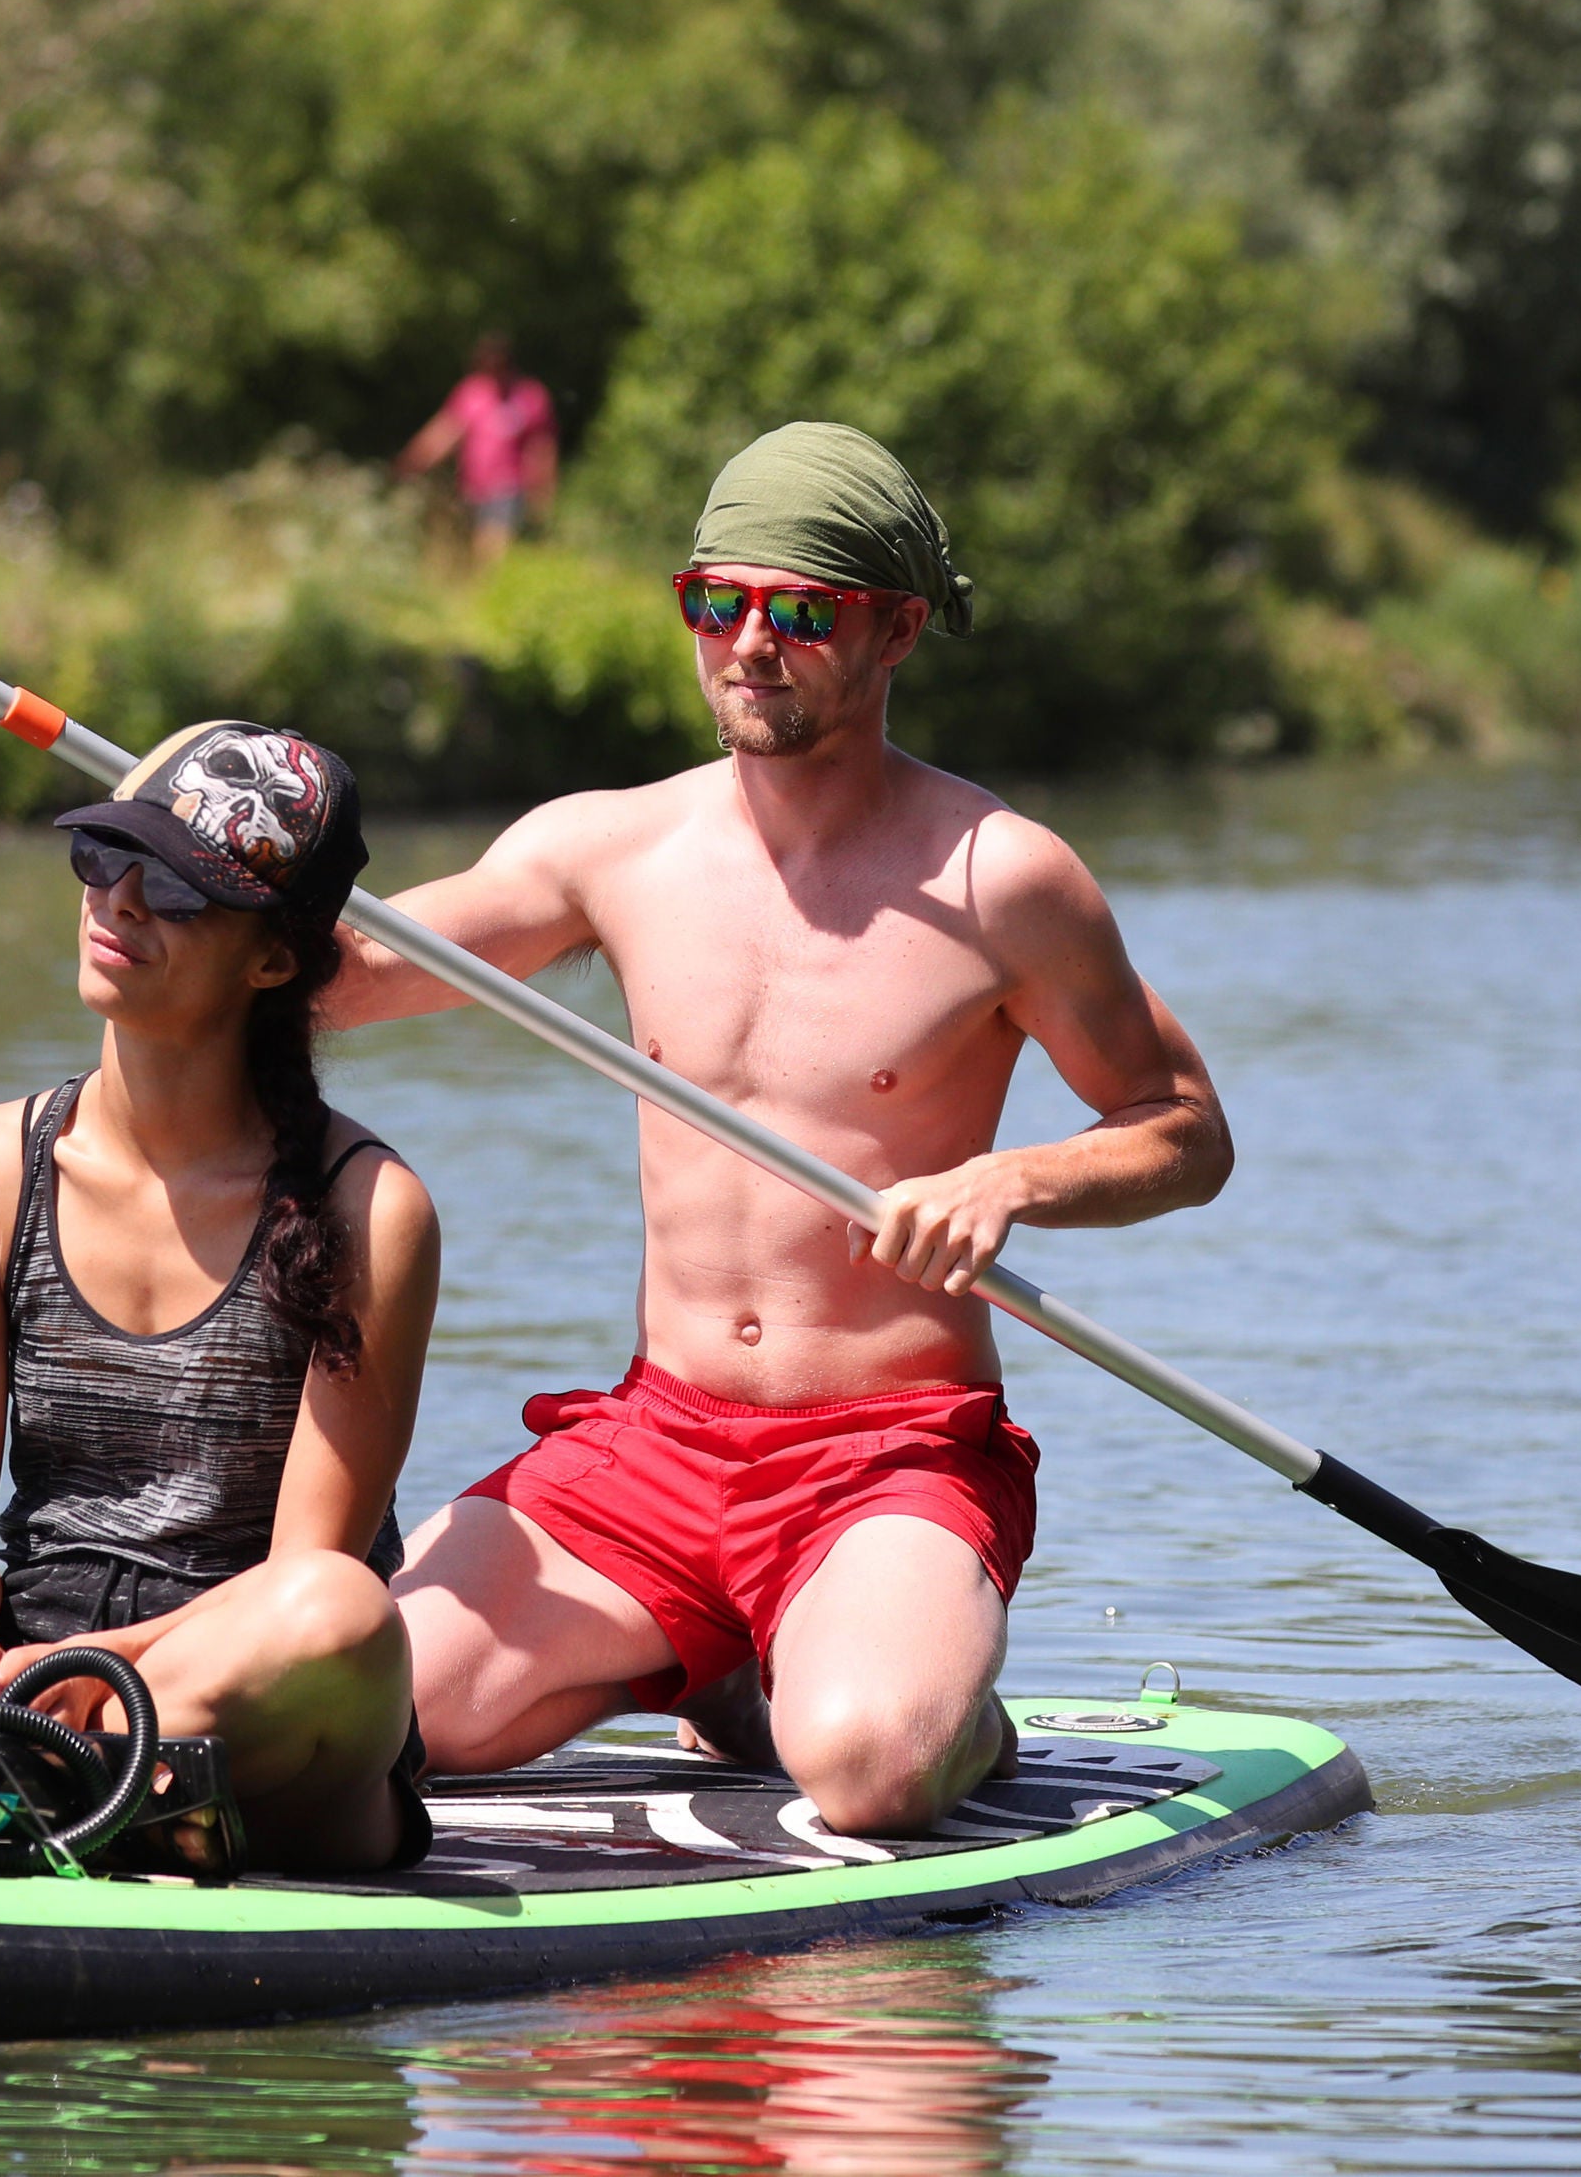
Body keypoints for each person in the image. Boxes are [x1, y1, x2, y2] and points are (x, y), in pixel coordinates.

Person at [324, 422, 1234, 1837]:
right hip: (653, 1445)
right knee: (364, 1723)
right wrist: (204, 872)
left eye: (801, 611)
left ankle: (932, 1704)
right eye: (717, 600)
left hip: (891, 1454)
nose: (751, 641)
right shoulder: (609, 848)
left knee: (867, 1772)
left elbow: (1183, 1131)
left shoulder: (1004, 878)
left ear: (898, 632)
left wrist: (1015, 1177)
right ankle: (716, 1648)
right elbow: (343, 977)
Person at [0, 721, 443, 1873]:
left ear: (274, 959)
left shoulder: (369, 1211)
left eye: (179, 887)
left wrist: (99, 1673)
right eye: (101, 856)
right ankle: (2, 1752)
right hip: (21, 1678)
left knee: (343, 1613)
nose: (119, 898)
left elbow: (304, 1571)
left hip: (255, 1721)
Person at [396, 333, 557, 563]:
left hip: (508, 489)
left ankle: (491, 594)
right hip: (471, 488)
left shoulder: (530, 396)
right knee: (465, 549)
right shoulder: (471, 393)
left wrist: (543, 492)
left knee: (491, 549)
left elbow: (542, 448)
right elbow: (444, 433)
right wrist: (411, 462)